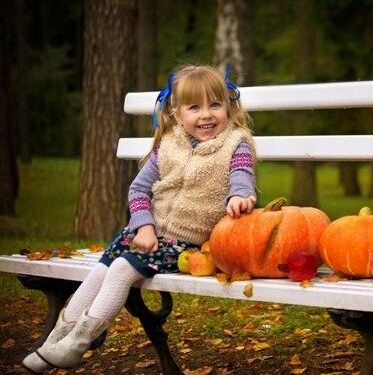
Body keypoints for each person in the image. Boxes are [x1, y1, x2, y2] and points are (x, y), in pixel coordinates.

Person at [22, 63, 257, 374]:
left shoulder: (235, 144)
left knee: (120, 268)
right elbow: (139, 189)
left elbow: (242, 174)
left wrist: (240, 196)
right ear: (176, 112)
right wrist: (143, 225)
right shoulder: (167, 145)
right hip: (144, 232)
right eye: (195, 107)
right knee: (100, 270)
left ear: (227, 106)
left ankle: (77, 345)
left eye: (215, 105)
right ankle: (57, 339)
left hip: (185, 242)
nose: (206, 115)